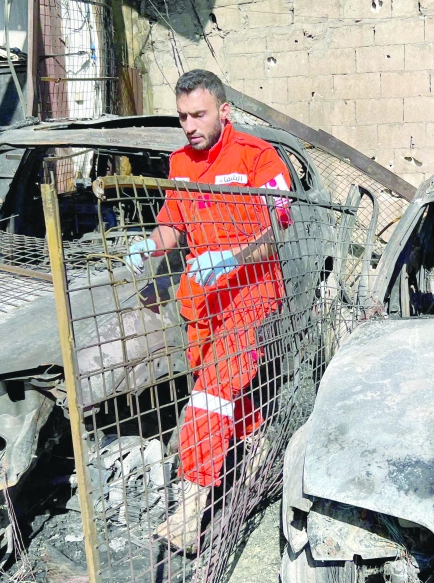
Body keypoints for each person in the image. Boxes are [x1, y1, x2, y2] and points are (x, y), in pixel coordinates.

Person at [125, 69, 293, 554]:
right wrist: (150, 248)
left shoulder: (259, 158)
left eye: (198, 115)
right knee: (217, 388)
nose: (190, 125)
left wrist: (234, 258)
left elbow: (278, 227)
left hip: (250, 290)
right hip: (200, 297)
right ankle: (258, 445)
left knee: (212, 390)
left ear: (224, 111)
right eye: (182, 117)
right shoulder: (179, 161)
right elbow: (172, 223)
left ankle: (190, 507)